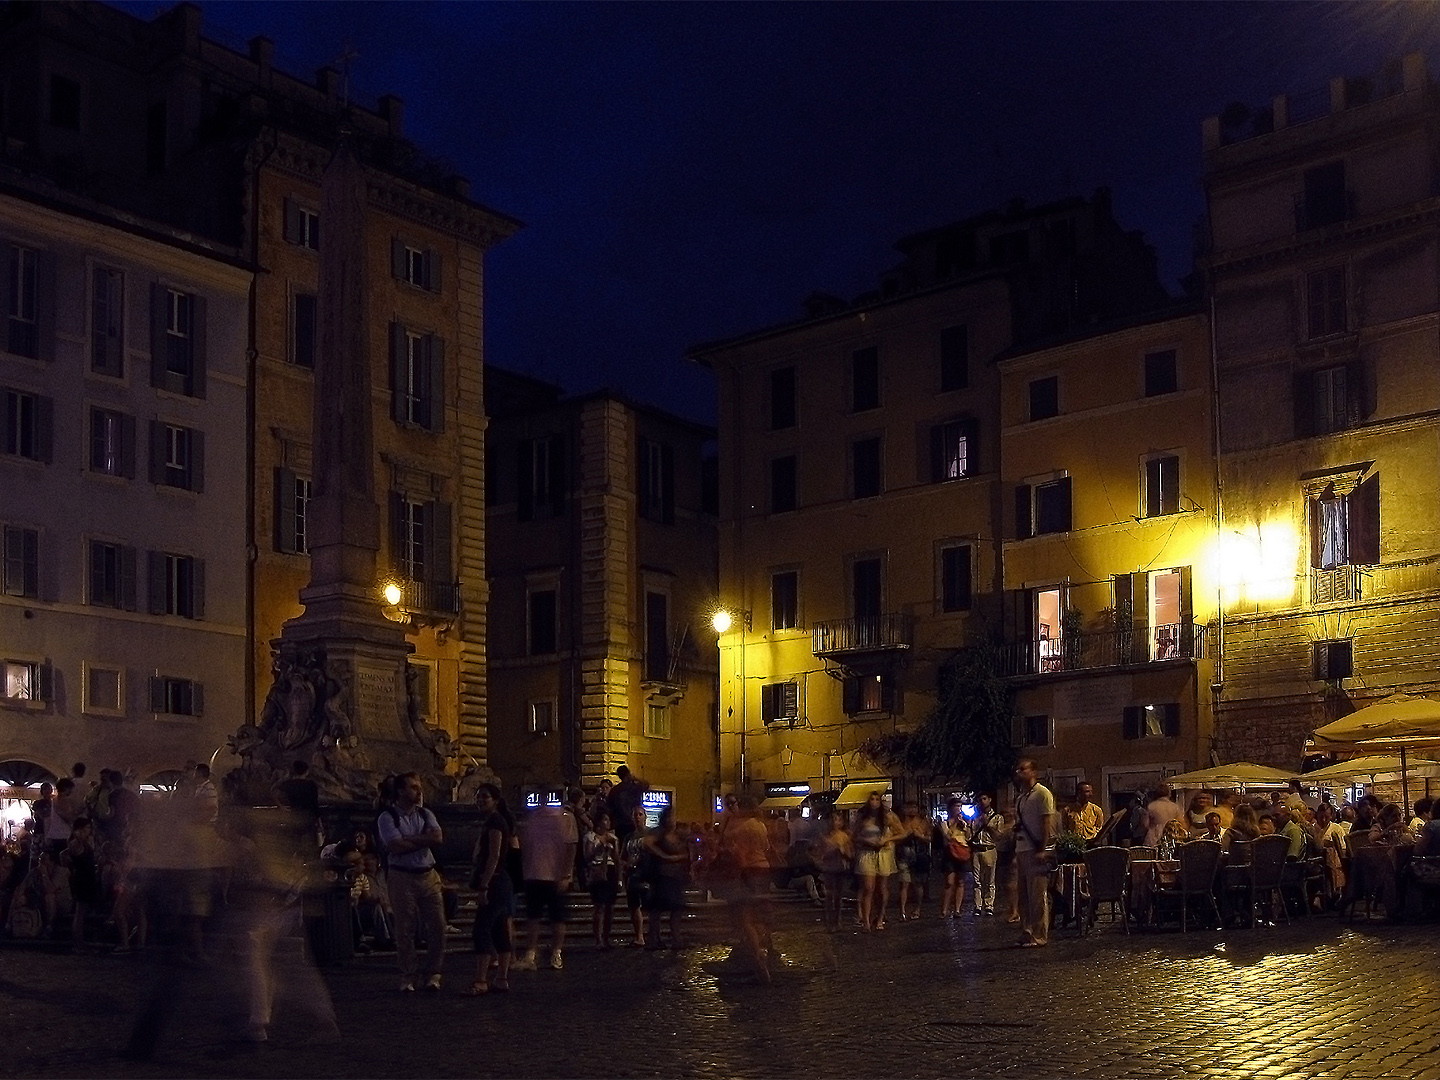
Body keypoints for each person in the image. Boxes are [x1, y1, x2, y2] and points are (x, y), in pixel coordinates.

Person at [375, 772, 447, 993]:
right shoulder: (387, 818)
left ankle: (433, 972)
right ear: (400, 791)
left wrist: (408, 840)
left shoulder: (425, 814)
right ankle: (409, 974)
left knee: (438, 926)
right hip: (401, 876)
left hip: (428, 875)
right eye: (414, 787)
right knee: (404, 928)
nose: (419, 791)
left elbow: (437, 838)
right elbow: (395, 846)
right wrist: (422, 840)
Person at [513, 793, 579, 971]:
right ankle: (542, 954)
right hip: (540, 875)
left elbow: (570, 847)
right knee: (544, 917)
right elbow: (570, 845)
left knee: (549, 918)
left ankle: (547, 953)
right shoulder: (558, 818)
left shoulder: (542, 819)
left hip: (545, 875)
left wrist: (565, 874)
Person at [465, 784, 514, 996]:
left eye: (485, 797)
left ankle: (481, 980)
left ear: (495, 800)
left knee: (482, 929)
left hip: (495, 881)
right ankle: (501, 978)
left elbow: (494, 855)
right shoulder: (494, 821)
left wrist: (484, 884)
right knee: (499, 929)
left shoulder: (495, 821)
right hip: (500, 881)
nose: (480, 801)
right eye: (478, 797)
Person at [1012, 759, 1056, 948]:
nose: (1019, 772)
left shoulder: (1042, 794)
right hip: (1022, 848)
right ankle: (1027, 930)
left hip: (1035, 848)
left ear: (1033, 772)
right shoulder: (1021, 797)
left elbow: (1046, 822)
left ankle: (1040, 934)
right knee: (1023, 894)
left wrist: (1043, 848)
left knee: (1037, 894)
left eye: (1023, 769)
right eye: (1018, 769)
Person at [851, 791, 902, 931]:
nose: (874, 802)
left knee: (882, 889)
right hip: (867, 853)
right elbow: (854, 835)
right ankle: (866, 921)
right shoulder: (863, 817)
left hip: (883, 854)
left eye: (877, 799)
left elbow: (901, 832)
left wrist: (887, 839)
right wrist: (865, 840)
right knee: (868, 888)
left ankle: (879, 918)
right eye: (872, 799)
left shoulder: (888, 816)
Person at [643, 807, 691, 949]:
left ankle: (676, 938)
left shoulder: (677, 834)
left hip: (675, 876)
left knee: (676, 908)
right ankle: (654, 939)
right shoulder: (659, 833)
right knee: (657, 909)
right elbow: (647, 844)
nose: (673, 820)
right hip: (663, 876)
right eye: (670, 817)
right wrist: (666, 857)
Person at [583, 811, 622, 948]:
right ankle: (598, 939)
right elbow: (587, 857)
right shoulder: (590, 837)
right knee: (599, 906)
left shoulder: (613, 838)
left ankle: (607, 938)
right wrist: (599, 847)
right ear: (599, 821)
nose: (608, 822)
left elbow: (617, 859)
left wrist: (619, 878)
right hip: (597, 870)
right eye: (605, 819)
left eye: (608, 819)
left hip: (610, 871)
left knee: (610, 907)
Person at [811, 810, 853, 933]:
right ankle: (830, 921)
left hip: (840, 868)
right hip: (829, 869)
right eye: (834, 819)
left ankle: (837, 920)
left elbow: (850, 854)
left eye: (838, 819)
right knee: (830, 896)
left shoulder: (844, 836)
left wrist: (842, 850)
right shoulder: (826, 836)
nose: (836, 822)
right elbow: (819, 853)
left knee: (838, 896)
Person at [895, 802, 933, 920]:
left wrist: (919, 836)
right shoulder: (900, 823)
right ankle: (902, 911)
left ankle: (917, 908)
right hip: (904, 854)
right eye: (908, 807)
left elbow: (929, 839)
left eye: (914, 807)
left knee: (918, 883)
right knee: (904, 883)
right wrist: (905, 835)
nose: (911, 810)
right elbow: (895, 838)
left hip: (919, 855)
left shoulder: (924, 823)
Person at [968, 792, 1003, 916]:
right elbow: (970, 835)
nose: (982, 801)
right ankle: (977, 905)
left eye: (984, 798)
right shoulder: (974, 818)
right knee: (977, 880)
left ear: (990, 799)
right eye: (980, 799)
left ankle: (989, 905)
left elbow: (999, 836)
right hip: (977, 850)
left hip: (989, 849)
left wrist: (988, 824)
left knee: (990, 880)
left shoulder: (997, 817)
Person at [622, 806, 651, 947]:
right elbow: (623, 855)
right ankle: (639, 936)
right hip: (632, 875)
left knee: (649, 905)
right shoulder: (629, 837)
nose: (638, 817)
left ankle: (652, 934)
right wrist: (626, 864)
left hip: (646, 874)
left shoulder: (650, 835)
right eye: (635, 815)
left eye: (640, 814)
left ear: (645, 817)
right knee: (634, 906)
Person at [938, 799, 971, 918]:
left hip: (962, 852)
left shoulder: (964, 822)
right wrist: (953, 824)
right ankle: (944, 910)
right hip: (950, 853)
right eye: (956, 806)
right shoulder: (945, 823)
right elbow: (947, 836)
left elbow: (968, 837)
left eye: (960, 806)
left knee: (961, 881)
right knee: (949, 882)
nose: (958, 808)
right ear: (950, 808)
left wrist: (964, 826)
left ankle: (957, 909)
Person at [1141, 783, 1182, 849]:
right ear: (1169, 793)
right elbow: (1180, 823)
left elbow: (1145, 825)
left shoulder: (1151, 806)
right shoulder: (1175, 807)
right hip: (1170, 837)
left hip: (1153, 838)